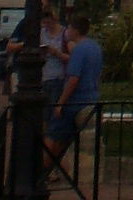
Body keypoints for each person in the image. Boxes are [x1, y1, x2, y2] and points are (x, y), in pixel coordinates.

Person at [44, 13, 103, 175]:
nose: (67, 31)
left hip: (74, 101)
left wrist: (61, 103)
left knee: (51, 133)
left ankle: (43, 171)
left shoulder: (78, 50)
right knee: (63, 138)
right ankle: (55, 169)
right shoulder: (95, 47)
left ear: (75, 30)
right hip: (91, 97)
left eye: (69, 27)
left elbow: (73, 79)